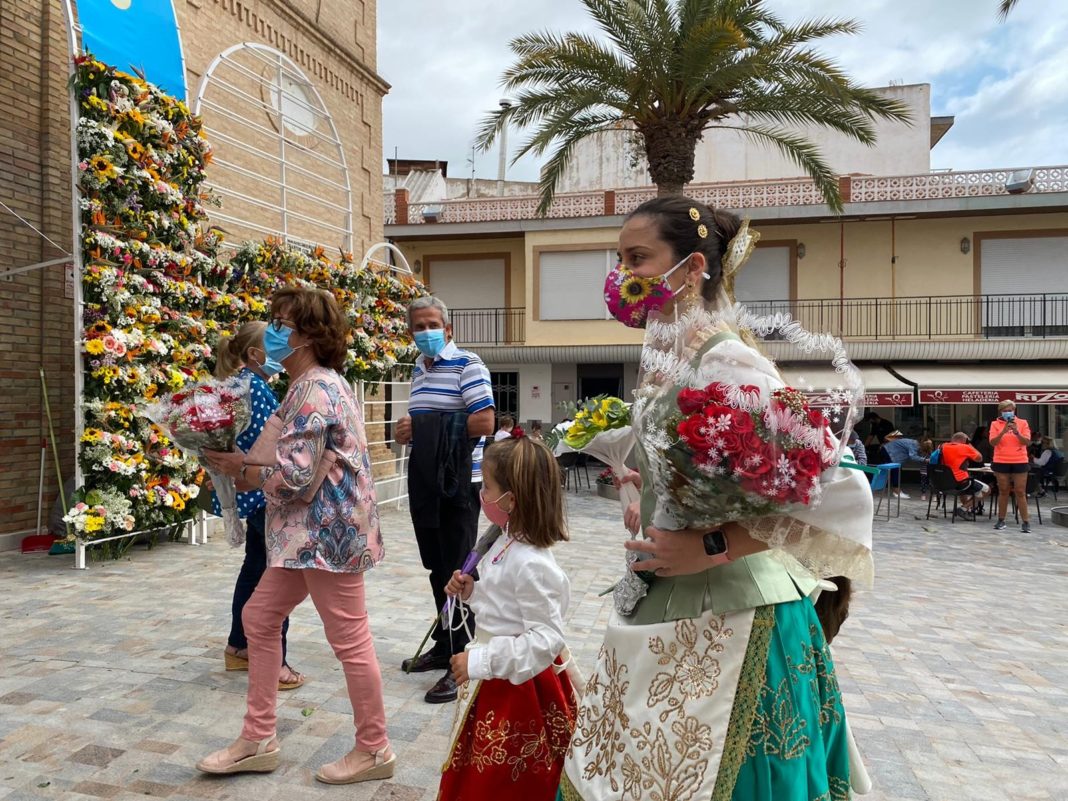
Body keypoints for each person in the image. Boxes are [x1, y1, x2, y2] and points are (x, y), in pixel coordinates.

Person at [559, 197, 874, 801]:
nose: (623, 274)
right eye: (620, 258)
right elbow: (687, 452)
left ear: (693, 265)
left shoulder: (729, 359)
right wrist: (639, 478)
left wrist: (712, 544)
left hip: (732, 612)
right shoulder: (671, 355)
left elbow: (839, 482)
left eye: (638, 258)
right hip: (665, 598)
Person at [197, 287, 393, 783]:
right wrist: (233, 461)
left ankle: (374, 749)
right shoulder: (310, 385)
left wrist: (242, 469)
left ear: (309, 334)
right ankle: (258, 737)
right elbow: (281, 461)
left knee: (350, 639)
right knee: (259, 618)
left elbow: (294, 477)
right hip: (309, 539)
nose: (274, 331)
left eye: (283, 322)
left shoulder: (314, 389)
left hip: (327, 540)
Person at [439, 436, 578, 799]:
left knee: (503, 782)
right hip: (495, 679)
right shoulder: (505, 541)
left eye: (487, 487)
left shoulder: (532, 563)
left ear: (511, 500)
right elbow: (506, 608)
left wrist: (481, 659)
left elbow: (545, 638)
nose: (481, 494)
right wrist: (472, 593)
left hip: (518, 692)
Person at [395, 296, 496, 704]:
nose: (426, 332)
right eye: (418, 326)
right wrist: (410, 432)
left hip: (459, 487)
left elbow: (485, 420)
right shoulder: (419, 371)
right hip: (426, 485)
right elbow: (425, 430)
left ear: (448, 329)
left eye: (432, 324)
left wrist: (421, 427)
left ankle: (463, 660)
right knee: (437, 570)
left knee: (458, 573)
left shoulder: (468, 364)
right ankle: (444, 644)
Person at [212, 322, 303, 691]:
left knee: (254, 568)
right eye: (273, 342)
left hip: (250, 492)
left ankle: (239, 646)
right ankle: (273, 660)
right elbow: (275, 443)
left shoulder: (235, 387)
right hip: (266, 491)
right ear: (254, 354)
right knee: (275, 578)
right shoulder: (259, 390)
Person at [990, 400, 1032, 533]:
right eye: (1005, 410)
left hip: (1019, 460)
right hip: (1001, 460)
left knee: (1020, 491)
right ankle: (1001, 520)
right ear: (1001, 411)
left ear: (1014, 411)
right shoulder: (995, 424)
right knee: (1003, 491)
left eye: (1010, 410)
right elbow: (993, 442)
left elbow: (1027, 442)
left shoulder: (1023, 422)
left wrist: (1016, 432)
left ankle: (1026, 522)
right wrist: (1003, 431)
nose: (1008, 412)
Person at [940, 432, 991, 517]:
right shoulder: (965, 447)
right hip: (960, 482)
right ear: (964, 440)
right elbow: (979, 458)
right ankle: (963, 508)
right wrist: (969, 445)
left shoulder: (942, 446)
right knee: (987, 490)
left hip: (944, 482)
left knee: (963, 491)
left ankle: (966, 510)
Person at [880, 430, 928, 500]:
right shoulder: (914, 445)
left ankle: (897, 491)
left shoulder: (914, 443)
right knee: (895, 471)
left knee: (896, 471)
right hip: (889, 452)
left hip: (888, 451)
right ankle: (897, 492)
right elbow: (913, 456)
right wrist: (924, 460)